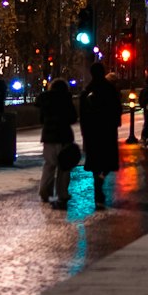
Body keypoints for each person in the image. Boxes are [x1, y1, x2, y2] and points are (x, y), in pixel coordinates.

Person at [80, 60, 123, 208]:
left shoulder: (87, 90)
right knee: (108, 161)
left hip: (92, 132)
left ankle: (97, 188)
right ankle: (101, 178)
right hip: (107, 131)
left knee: (95, 163)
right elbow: (117, 108)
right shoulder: (109, 89)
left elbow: (83, 115)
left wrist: (84, 132)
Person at [36, 78, 78, 208]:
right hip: (63, 136)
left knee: (49, 165)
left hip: (48, 136)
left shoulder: (45, 99)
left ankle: (44, 191)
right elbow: (72, 118)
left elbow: (42, 119)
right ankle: (62, 193)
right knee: (64, 166)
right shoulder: (66, 99)